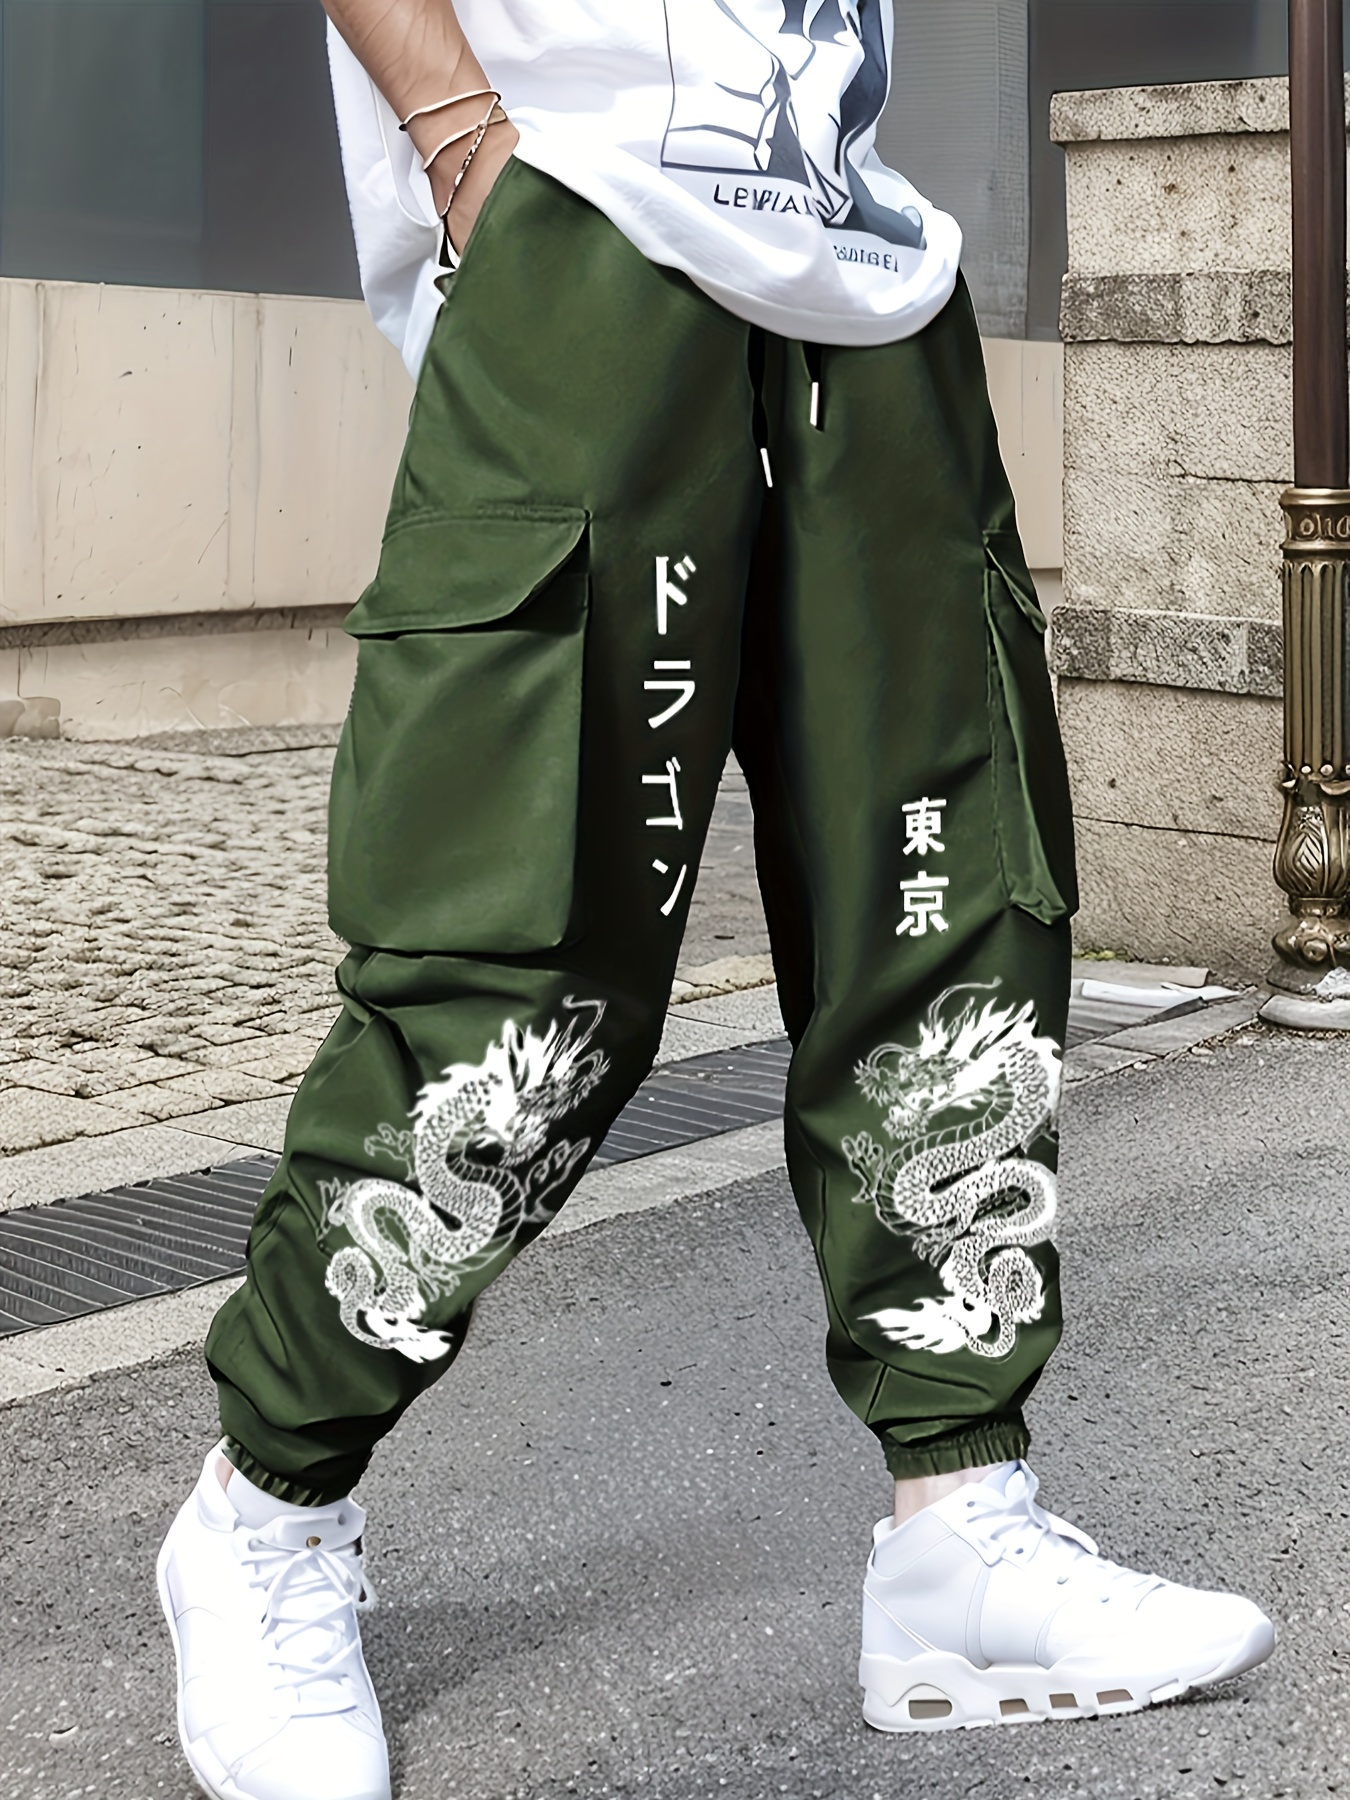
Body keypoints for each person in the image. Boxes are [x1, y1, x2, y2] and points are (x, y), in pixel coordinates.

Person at [156, 5, 1275, 1796]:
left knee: (949, 906)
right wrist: (461, 139)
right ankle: (266, 1509)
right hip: (579, 215)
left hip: (861, 258)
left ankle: (961, 1535)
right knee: (527, 944)